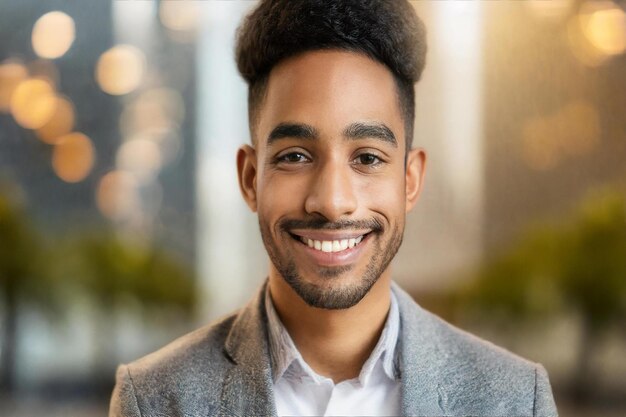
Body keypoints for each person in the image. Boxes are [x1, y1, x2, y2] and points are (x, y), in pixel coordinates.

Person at [109, 1, 558, 416]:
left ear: (410, 180)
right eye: (295, 156)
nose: (332, 201)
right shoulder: (153, 400)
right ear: (250, 178)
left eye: (367, 158)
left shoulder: (516, 399)